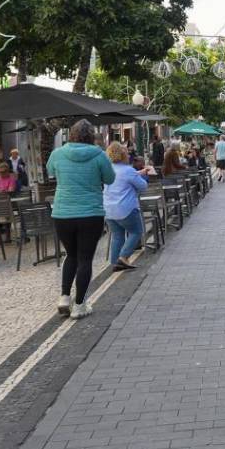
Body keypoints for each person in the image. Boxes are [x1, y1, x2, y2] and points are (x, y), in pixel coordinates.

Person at [47, 120, 114, 319]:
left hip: (62, 213)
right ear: (91, 136)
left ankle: (64, 297)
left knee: (71, 255)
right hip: (90, 213)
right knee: (85, 259)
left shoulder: (57, 154)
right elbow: (110, 179)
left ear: (72, 134)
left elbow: (51, 173)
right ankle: (79, 306)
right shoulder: (99, 155)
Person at [103, 142, 147, 271]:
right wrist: (141, 175)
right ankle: (123, 257)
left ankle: (114, 262)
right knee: (136, 232)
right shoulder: (128, 170)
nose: (128, 154)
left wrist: (137, 173)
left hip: (109, 210)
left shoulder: (108, 169)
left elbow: (121, 178)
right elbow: (143, 186)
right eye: (127, 153)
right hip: (125, 209)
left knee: (117, 236)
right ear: (123, 155)